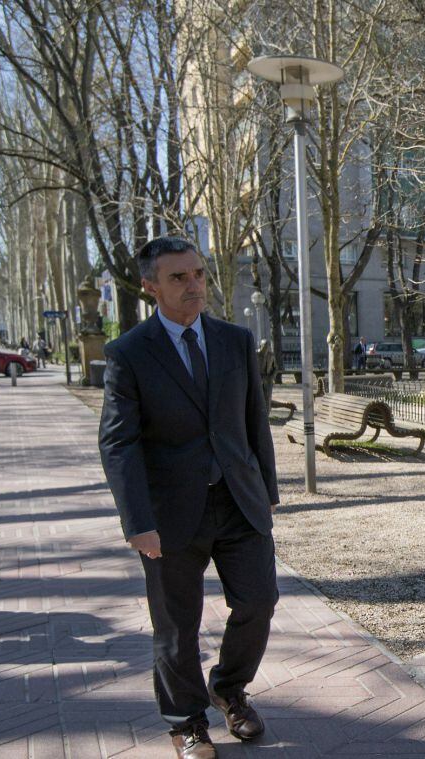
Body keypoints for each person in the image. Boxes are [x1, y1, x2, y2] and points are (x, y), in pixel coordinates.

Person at [98, 236, 279, 759]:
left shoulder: (234, 340)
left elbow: (253, 421)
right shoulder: (128, 353)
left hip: (239, 500)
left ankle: (228, 689)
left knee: (259, 603)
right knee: (177, 625)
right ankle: (187, 721)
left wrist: (266, 489)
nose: (194, 285)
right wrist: (137, 520)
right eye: (179, 278)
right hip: (170, 513)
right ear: (150, 286)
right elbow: (119, 441)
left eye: (198, 273)